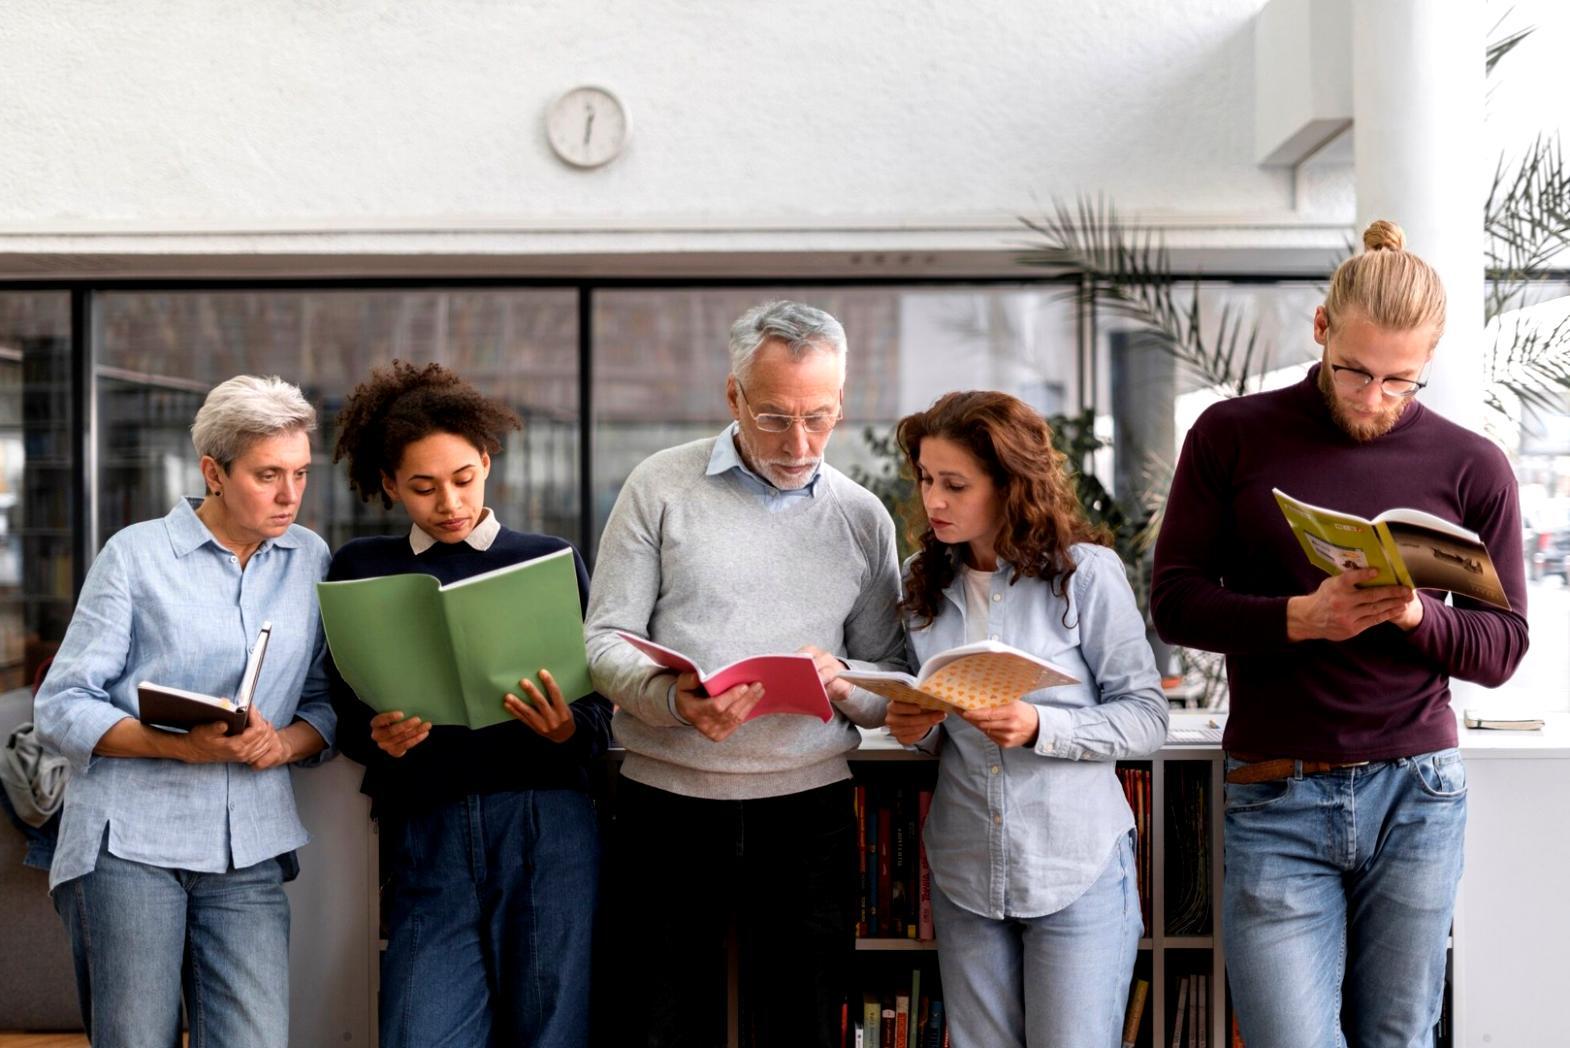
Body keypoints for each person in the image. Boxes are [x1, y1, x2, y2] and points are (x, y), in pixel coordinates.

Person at [1150, 220, 1530, 1046]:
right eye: (1356, 370)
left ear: (1429, 364)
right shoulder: (1231, 435)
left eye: (1402, 382)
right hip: (1275, 789)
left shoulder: (1473, 466)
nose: (1373, 398)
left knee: (1397, 1038)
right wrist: (1301, 618)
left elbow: (1502, 649)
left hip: (1418, 795)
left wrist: (1413, 615)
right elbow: (1174, 603)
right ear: (1321, 329)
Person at [584, 300, 906, 1048]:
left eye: (819, 418)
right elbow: (602, 643)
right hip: (665, 807)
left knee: (804, 1025)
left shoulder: (863, 518)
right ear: (733, 396)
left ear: (840, 404)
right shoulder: (660, 486)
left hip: (808, 814)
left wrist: (845, 681)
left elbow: (890, 682)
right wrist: (672, 699)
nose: (799, 443)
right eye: (773, 418)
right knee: (658, 1025)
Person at [34, 375, 336, 1048]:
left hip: (249, 849)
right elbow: (62, 704)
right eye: (268, 475)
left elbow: (324, 697)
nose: (290, 494)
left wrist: (283, 744)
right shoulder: (136, 557)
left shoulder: (311, 559)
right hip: (128, 845)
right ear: (214, 473)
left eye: (300, 473)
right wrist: (179, 744)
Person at [326, 360, 612, 1048]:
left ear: (487, 461)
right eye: (422, 488)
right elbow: (344, 705)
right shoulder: (361, 568)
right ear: (390, 485)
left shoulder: (549, 559)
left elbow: (602, 712)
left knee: (550, 1029)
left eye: (462, 479)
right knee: (420, 1028)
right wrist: (378, 735)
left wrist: (566, 724)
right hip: (429, 827)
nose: (448, 503)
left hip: (549, 821)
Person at [883, 390, 1167, 1048]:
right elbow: (932, 731)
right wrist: (914, 726)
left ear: (1010, 485)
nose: (934, 502)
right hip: (965, 873)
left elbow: (1147, 717)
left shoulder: (1086, 576)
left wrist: (1042, 727)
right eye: (926, 480)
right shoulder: (922, 583)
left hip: (1077, 870)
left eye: (955, 484)